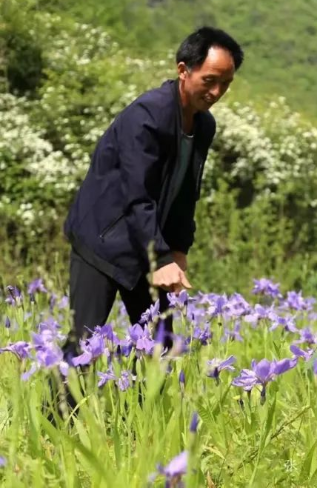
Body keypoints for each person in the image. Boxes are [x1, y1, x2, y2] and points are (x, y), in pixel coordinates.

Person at [61, 27, 244, 361]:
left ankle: (145, 413)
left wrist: (177, 249)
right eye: (210, 80)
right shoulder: (148, 115)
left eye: (226, 84)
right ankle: (55, 414)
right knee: (84, 345)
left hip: (148, 242)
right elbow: (136, 193)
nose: (217, 92)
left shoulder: (203, 125)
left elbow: (187, 193)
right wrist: (160, 258)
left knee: (161, 347)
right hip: (103, 239)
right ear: (183, 70)